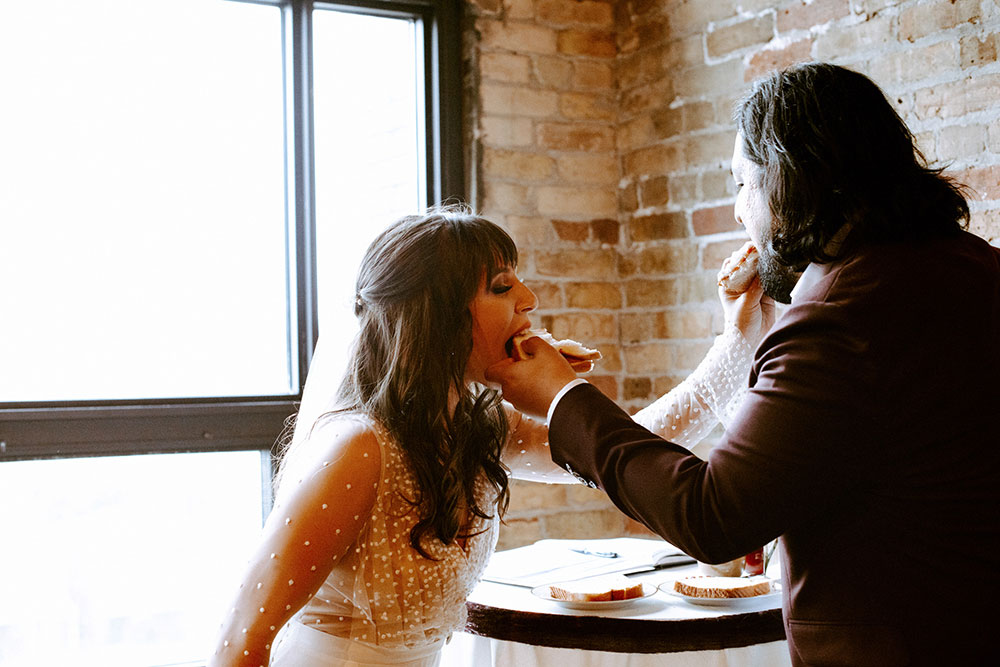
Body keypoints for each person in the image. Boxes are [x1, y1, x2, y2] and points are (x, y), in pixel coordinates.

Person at [487, 62, 1000, 666]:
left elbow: (713, 516)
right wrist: (744, 336)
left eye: (740, 184)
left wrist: (562, 394)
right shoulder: (974, 270)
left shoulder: (839, 318)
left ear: (788, 179)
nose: (736, 212)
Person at [207, 206, 767, 667]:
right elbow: (239, 644)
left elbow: (628, 446)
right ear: (438, 318)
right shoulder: (356, 449)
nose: (529, 299)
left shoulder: (478, 427)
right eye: (502, 287)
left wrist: (736, 339)